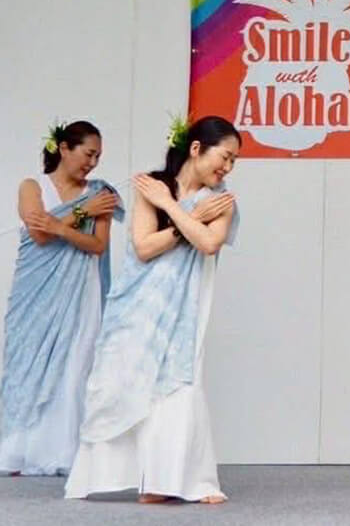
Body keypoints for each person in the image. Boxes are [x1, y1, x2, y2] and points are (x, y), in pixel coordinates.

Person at [65, 116, 240, 504]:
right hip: (137, 307)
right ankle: (126, 477)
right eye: (224, 157)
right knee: (121, 383)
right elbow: (144, 248)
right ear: (197, 149)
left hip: (182, 312)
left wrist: (174, 212)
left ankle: (168, 481)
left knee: (175, 386)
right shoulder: (152, 187)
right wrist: (180, 213)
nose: (227, 168)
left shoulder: (221, 200)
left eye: (233, 163)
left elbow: (209, 243)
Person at [1, 120, 119, 475]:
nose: (92, 163)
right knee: (26, 362)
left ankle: (64, 453)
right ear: (64, 149)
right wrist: (81, 214)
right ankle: (19, 450)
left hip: (81, 290)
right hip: (34, 292)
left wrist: (59, 227)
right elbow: (38, 234)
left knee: (75, 365)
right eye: (88, 153)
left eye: (97, 156)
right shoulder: (32, 186)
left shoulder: (101, 192)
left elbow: (98, 245)